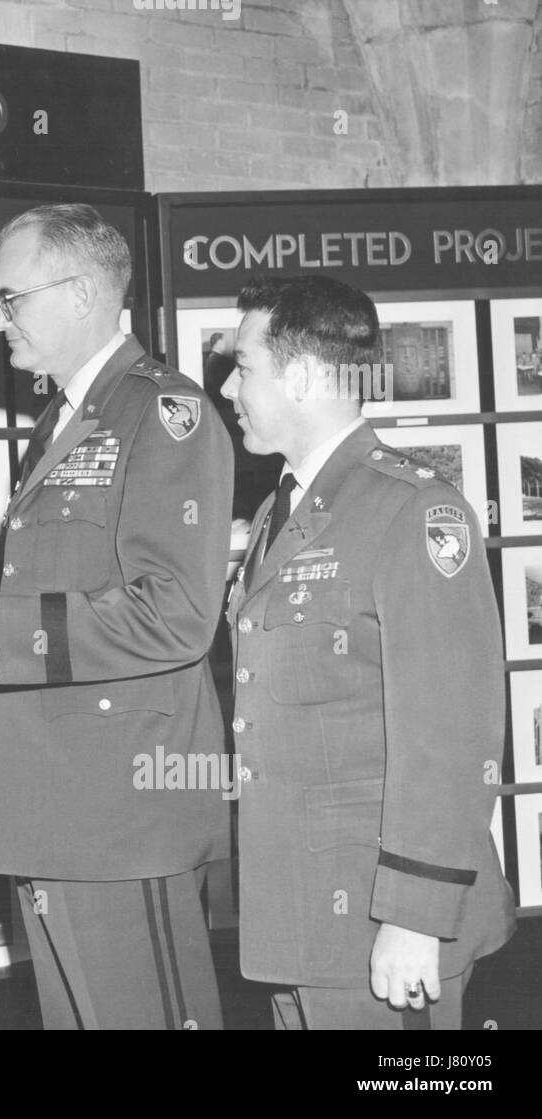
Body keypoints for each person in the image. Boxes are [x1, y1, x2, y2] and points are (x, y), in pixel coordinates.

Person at [0, 204, 235, 1029]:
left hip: (120, 813)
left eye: (9, 297)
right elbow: (76, 603)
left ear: (82, 292)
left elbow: (178, 614)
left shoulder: (164, 415)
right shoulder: (66, 419)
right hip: (56, 806)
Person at [221, 274, 515, 1029]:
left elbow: (451, 728)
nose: (228, 385)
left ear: (307, 375)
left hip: (384, 923)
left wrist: (416, 915)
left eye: (244, 365)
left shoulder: (412, 508)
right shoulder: (278, 511)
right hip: (300, 916)